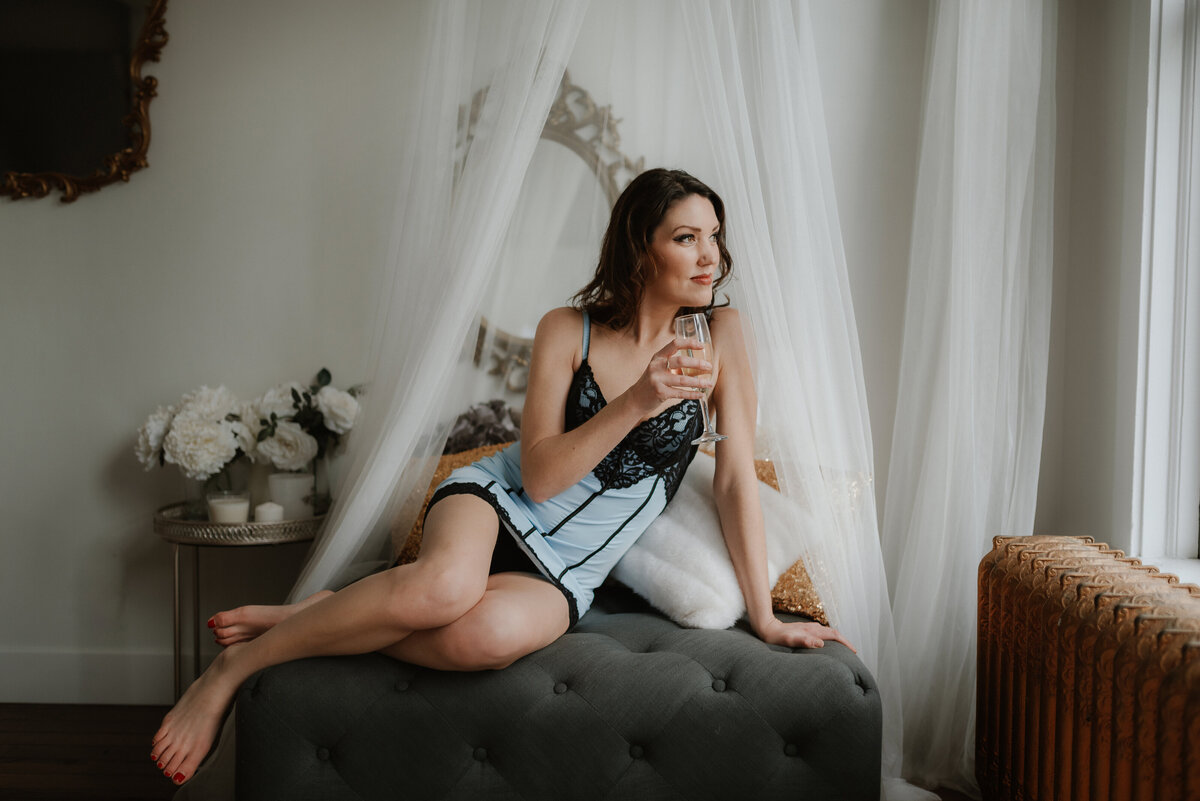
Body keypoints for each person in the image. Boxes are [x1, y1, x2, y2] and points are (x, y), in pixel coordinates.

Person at [150, 168, 853, 786]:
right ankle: (230, 674)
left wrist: (762, 616)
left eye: (715, 237)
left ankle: (320, 613)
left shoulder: (723, 335)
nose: (712, 257)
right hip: (499, 498)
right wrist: (642, 398)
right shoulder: (566, 329)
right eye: (688, 238)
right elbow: (542, 477)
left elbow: (732, 481)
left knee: (476, 639)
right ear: (642, 248)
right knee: (446, 586)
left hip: (571, 566)